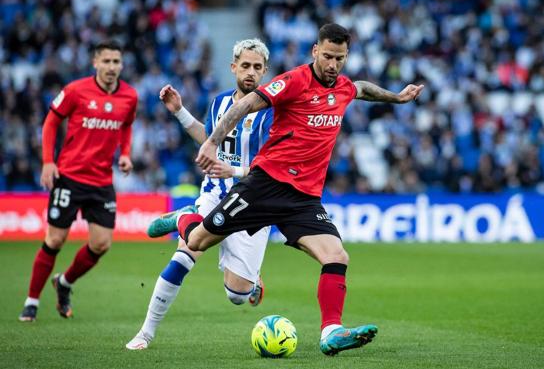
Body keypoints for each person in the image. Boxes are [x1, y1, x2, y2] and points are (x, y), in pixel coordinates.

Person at [175, 23, 424, 355]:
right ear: (314, 51)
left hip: (304, 198)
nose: (333, 64)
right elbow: (246, 104)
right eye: (327, 56)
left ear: (346, 56)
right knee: (196, 241)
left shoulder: (344, 88)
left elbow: (362, 88)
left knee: (336, 256)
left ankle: (331, 331)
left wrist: (397, 97)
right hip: (263, 186)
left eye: (340, 58)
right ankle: (184, 217)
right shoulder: (293, 81)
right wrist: (211, 141)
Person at [126, 39, 273, 350]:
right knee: (186, 252)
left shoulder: (270, 111)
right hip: (214, 194)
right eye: (245, 66)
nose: (250, 72)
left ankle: (184, 217)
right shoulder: (220, 102)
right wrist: (179, 111)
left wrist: (233, 172)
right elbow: (209, 140)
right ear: (233, 67)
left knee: (237, 295)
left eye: (257, 67)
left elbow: (271, 166)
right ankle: (145, 333)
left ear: (265, 72)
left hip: (253, 203)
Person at [19, 41, 137, 322]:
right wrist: (48, 161)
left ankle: (65, 282)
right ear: (95, 62)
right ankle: (31, 301)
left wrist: (126, 154)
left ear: (122, 65)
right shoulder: (75, 90)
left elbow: (127, 126)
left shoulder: (130, 96)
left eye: (116, 62)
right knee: (55, 239)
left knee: (101, 244)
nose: (111, 67)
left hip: (101, 182)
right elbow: (50, 123)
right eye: (106, 61)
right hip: (69, 176)